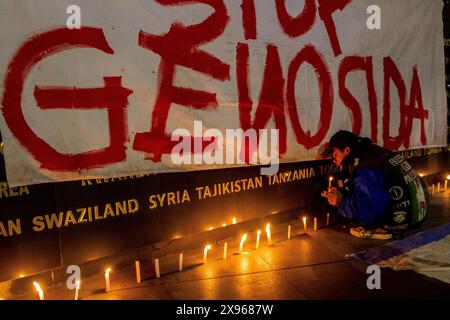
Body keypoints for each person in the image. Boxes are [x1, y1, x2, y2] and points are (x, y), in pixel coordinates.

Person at [320, 130, 428, 239]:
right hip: (419, 214)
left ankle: (382, 228)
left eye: (335, 155)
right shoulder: (371, 153)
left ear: (347, 150)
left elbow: (369, 211)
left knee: (368, 217)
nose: (334, 160)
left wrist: (341, 202)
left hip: (404, 221)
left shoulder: (365, 169)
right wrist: (343, 192)